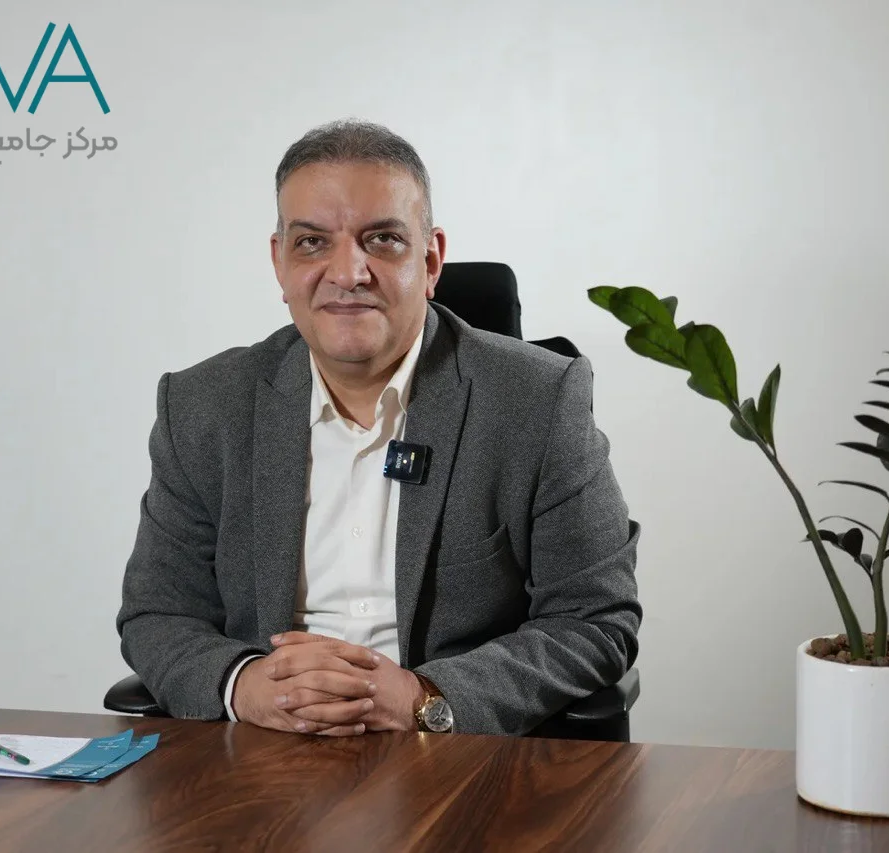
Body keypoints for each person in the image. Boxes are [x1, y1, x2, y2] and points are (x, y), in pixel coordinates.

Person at [115, 119, 641, 736]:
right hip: (263, 751)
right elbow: (158, 613)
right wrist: (244, 686)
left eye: (383, 239)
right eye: (312, 242)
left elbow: (593, 618)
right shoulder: (204, 406)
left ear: (431, 259)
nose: (348, 273)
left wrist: (423, 697)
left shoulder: (538, 401)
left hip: (452, 755)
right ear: (279, 262)